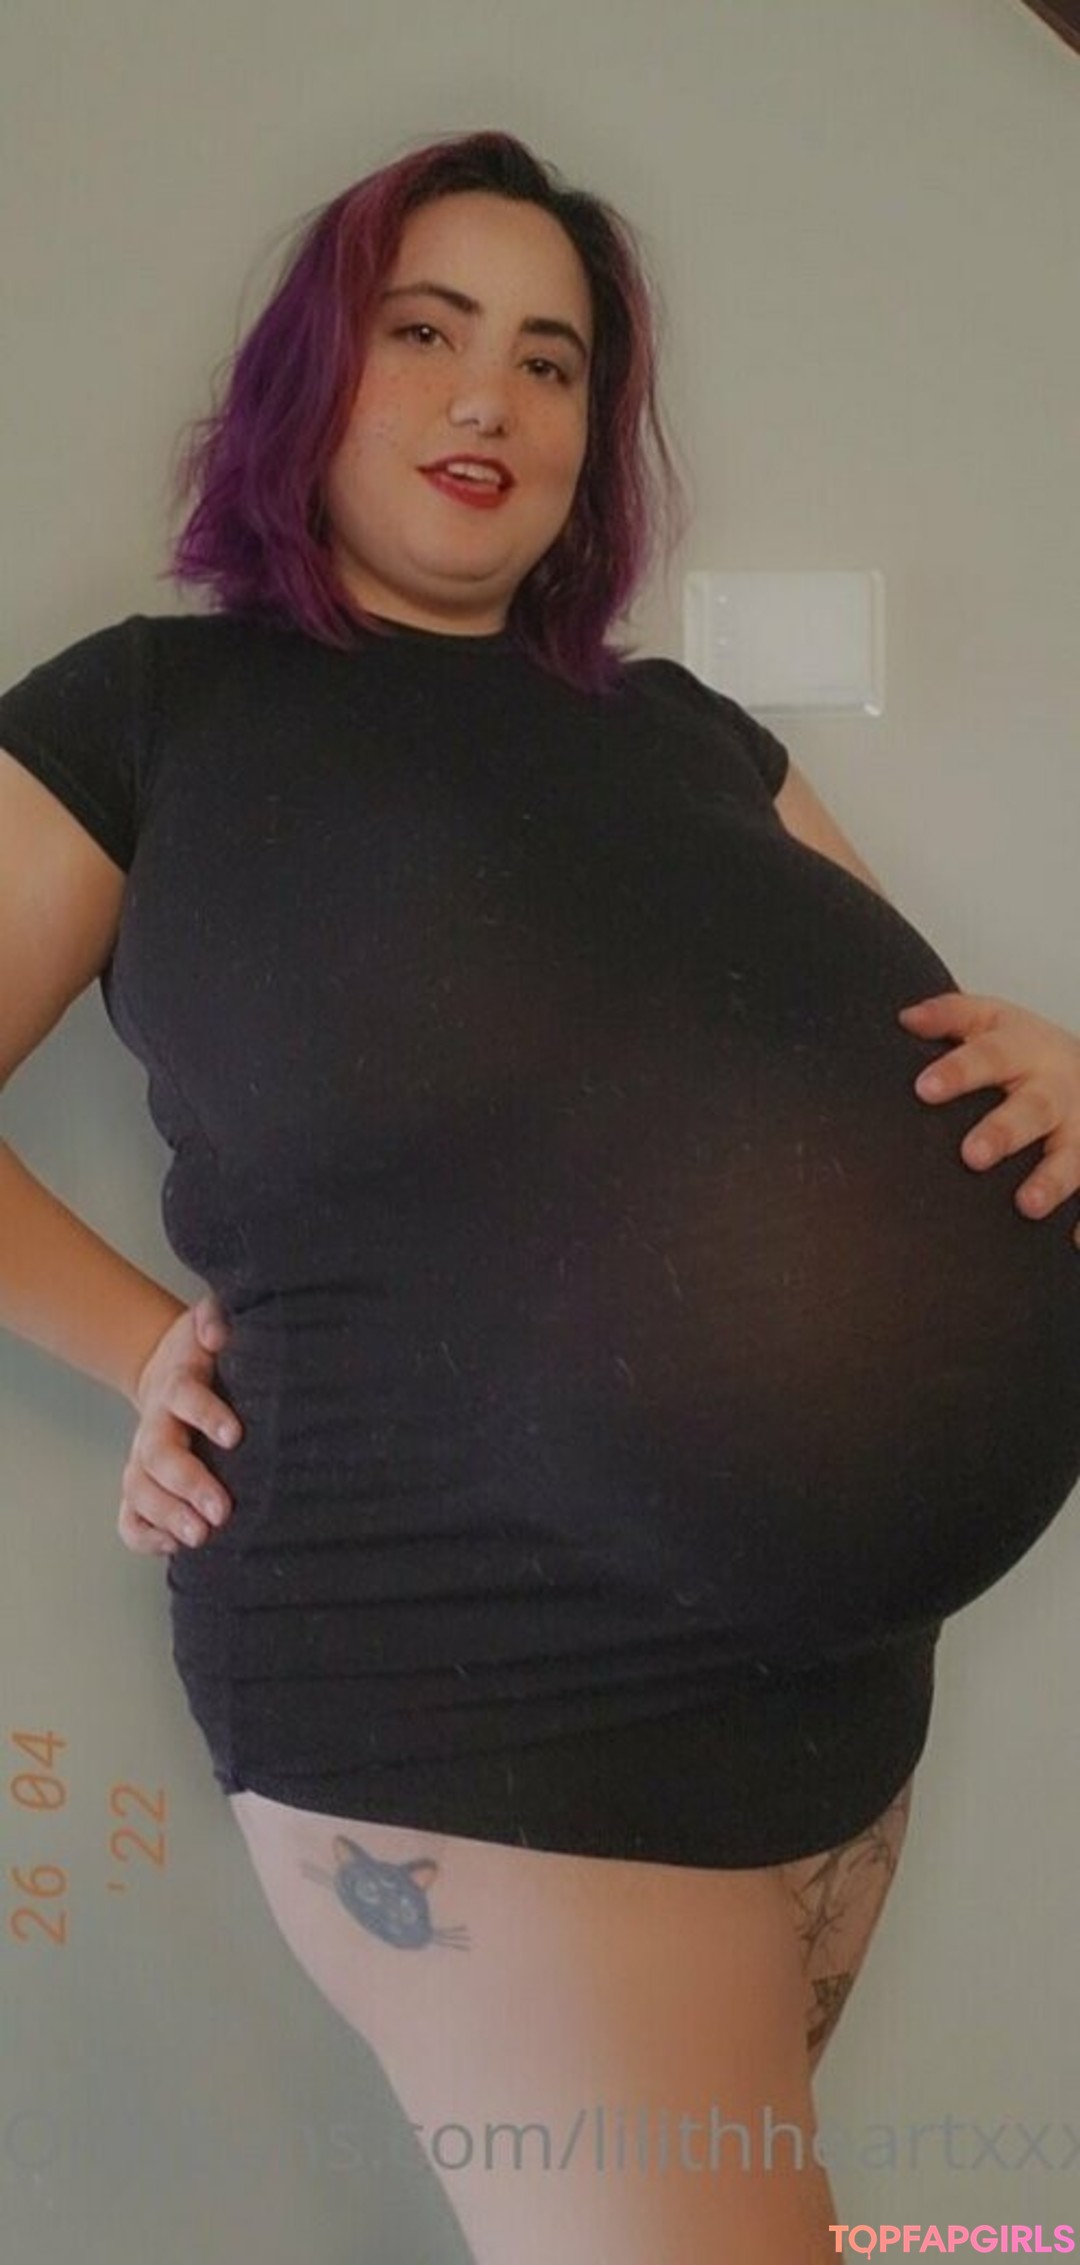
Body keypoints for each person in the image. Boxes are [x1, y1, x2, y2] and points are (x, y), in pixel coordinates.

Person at [1, 128, 1079, 2263]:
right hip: (483, 1680)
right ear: (313, 376)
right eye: (424, 332)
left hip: (838, 1681)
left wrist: (1058, 1067)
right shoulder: (152, 713)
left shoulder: (689, 732)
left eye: (551, 359)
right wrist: (143, 1348)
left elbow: (907, 1062)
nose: (490, 395)